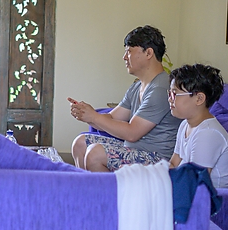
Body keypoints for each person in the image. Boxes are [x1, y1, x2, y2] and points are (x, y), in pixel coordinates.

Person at [69, 25, 180, 173]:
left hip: (157, 158)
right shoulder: (137, 86)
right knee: (80, 143)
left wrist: (94, 117)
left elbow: (132, 133)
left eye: (129, 51)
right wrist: (86, 114)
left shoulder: (160, 88)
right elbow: (112, 118)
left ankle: (109, 189)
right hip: (134, 150)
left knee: (95, 154)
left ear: (148, 53)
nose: (124, 57)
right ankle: (89, 187)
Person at [166, 63, 228, 189]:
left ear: (199, 98)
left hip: (209, 198)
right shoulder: (185, 124)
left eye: (175, 94)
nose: (170, 99)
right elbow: (173, 164)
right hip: (186, 188)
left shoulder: (208, 134)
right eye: (169, 93)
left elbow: (193, 183)